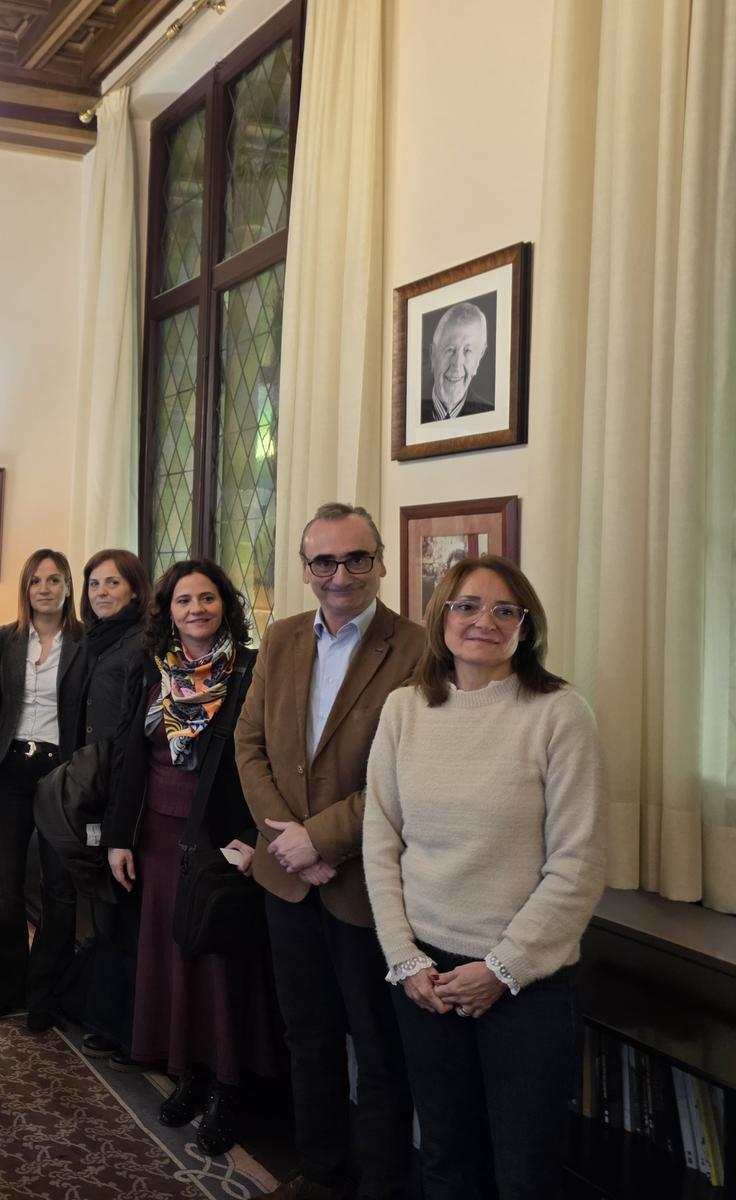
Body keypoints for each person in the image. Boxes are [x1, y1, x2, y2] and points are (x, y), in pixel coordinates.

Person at [365, 555, 605, 1199]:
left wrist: (501, 969)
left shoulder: (560, 714)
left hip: (526, 982)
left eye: (505, 610)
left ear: (526, 626)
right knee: (445, 1156)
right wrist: (404, 958)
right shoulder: (404, 709)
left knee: (523, 1172)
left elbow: (577, 865)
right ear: (441, 616)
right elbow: (381, 841)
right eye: (467, 606)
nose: (484, 622)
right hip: (426, 978)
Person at [236, 502, 425, 1200]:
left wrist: (323, 840)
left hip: (366, 885)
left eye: (356, 559)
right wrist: (289, 840)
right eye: (324, 561)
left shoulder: (418, 648)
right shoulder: (281, 637)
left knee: (379, 1049)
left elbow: (407, 773)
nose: (340, 575)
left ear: (381, 563)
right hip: (286, 879)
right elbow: (249, 745)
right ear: (305, 567)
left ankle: (379, 1184)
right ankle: (320, 1174)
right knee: (307, 1036)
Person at [103, 559, 275, 1155]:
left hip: (219, 839)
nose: (196, 609)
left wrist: (253, 838)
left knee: (218, 965)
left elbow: (266, 761)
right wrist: (118, 837)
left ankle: (228, 1086)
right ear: (167, 612)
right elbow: (128, 756)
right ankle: (188, 1072)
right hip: (155, 837)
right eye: (183, 600)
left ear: (225, 606)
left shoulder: (250, 671)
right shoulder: (153, 670)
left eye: (207, 598)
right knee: (170, 958)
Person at [0, 548, 88, 1030]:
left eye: (54, 580)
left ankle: (46, 994)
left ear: (68, 586)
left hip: (59, 772)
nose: (44, 589)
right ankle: (5, 990)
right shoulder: (5, 639)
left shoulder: (86, 643)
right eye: (35, 581)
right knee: (5, 887)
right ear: (25, 589)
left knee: (57, 887)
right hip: (8, 767)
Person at [76, 548, 152, 1066]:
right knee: (103, 911)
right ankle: (101, 1016)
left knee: (124, 913)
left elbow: (133, 731)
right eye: (95, 584)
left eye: (113, 583)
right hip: (90, 787)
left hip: (124, 790)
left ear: (135, 590)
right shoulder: (91, 640)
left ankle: (130, 1030)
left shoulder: (142, 643)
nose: (102, 593)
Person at [421, 302, 492, 423]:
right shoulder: (408, 413)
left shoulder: (490, 417)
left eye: (467, 350)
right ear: (433, 354)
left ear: (479, 357)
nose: (457, 363)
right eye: (450, 349)